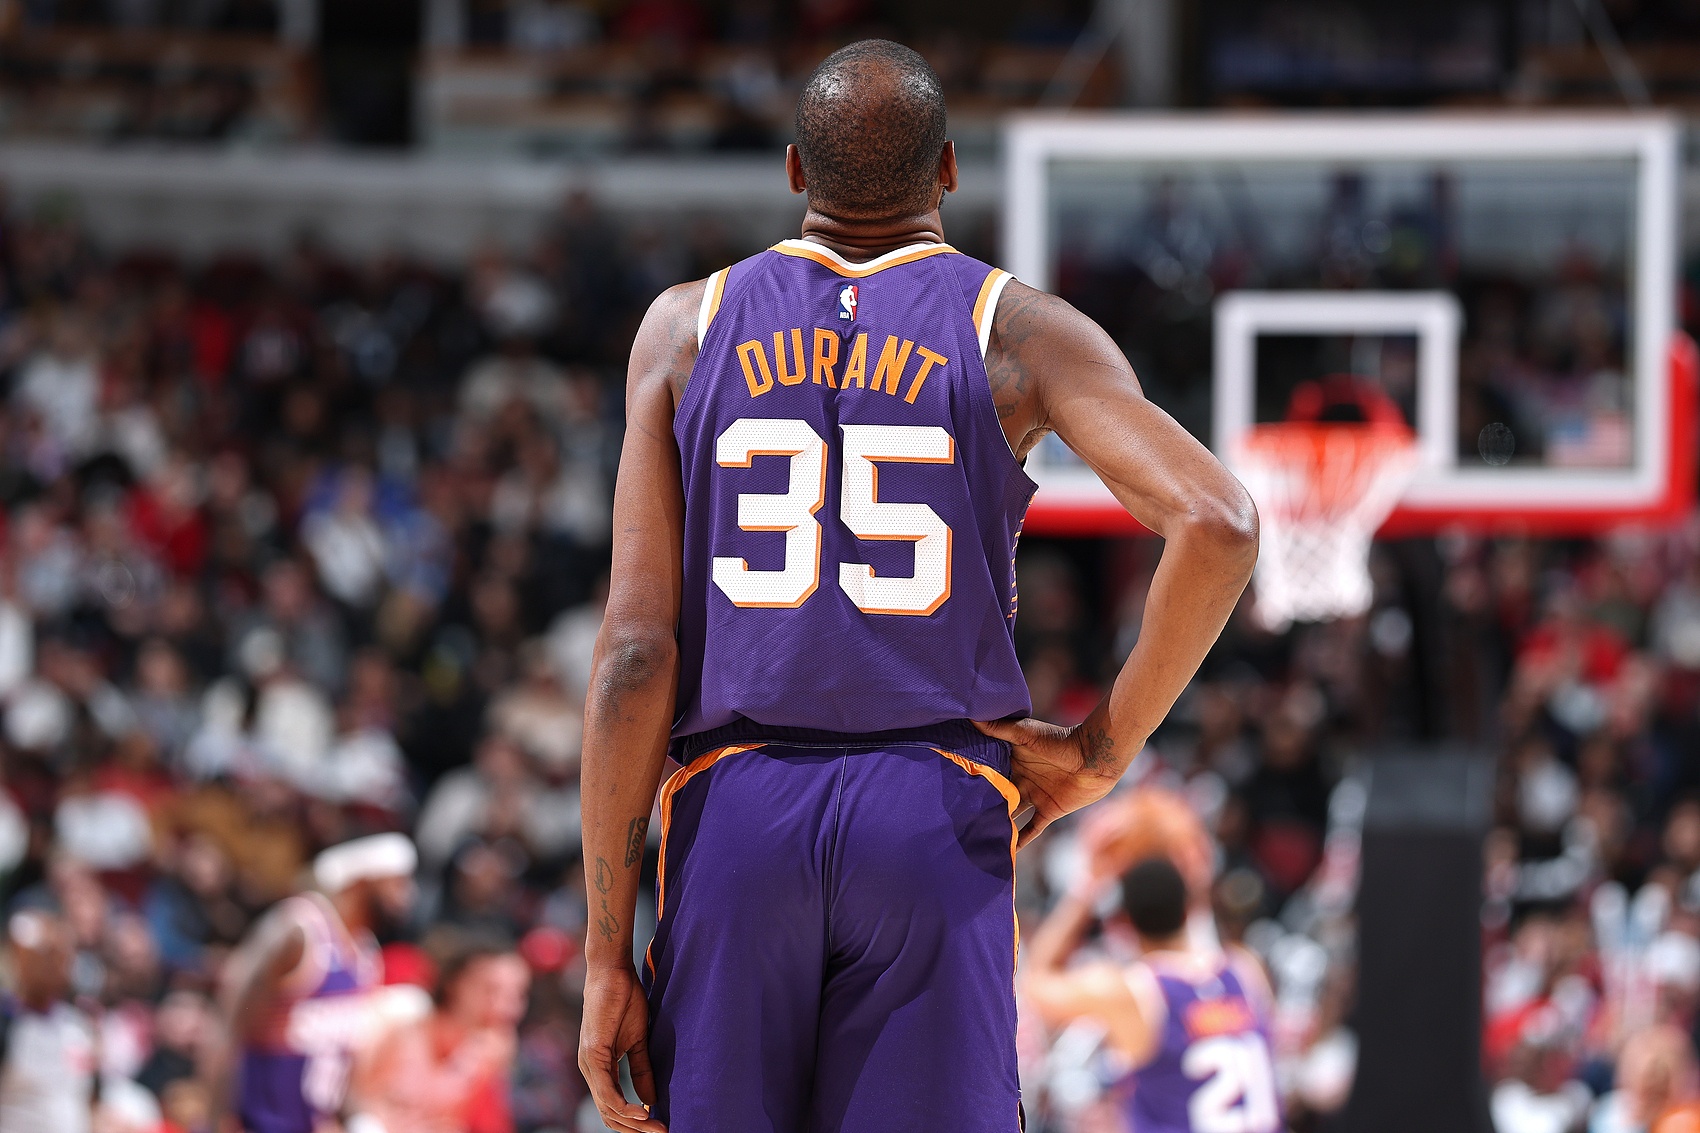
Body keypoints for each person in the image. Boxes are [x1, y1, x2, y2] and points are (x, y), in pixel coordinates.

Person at [578, 38, 1259, 1133]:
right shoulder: (1019, 331)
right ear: (948, 169)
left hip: (735, 808)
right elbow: (1219, 523)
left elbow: (633, 653)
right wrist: (1101, 749)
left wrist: (605, 951)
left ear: (793, 172)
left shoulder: (682, 329)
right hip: (933, 809)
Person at [1023, 857, 1280, 1133]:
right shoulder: (1245, 969)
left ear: (1125, 922)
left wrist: (1087, 888)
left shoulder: (1134, 993)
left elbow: (1034, 981)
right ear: (1188, 909)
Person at [212, 832, 418, 1133]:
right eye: (397, 883)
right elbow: (229, 1018)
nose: (407, 896)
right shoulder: (301, 929)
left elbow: (340, 1061)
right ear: (363, 882)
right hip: (256, 1120)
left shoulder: (366, 955)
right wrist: (215, 1114)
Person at [351, 940, 531, 1133]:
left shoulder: (488, 1059)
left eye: (518, 995)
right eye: (490, 990)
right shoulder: (398, 1027)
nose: (506, 1007)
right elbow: (354, 1103)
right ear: (454, 984)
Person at [0, 911, 96, 1133]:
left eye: (59, 955)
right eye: (43, 956)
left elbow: (90, 1096)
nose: (51, 966)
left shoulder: (78, 1024)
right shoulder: (7, 1022)